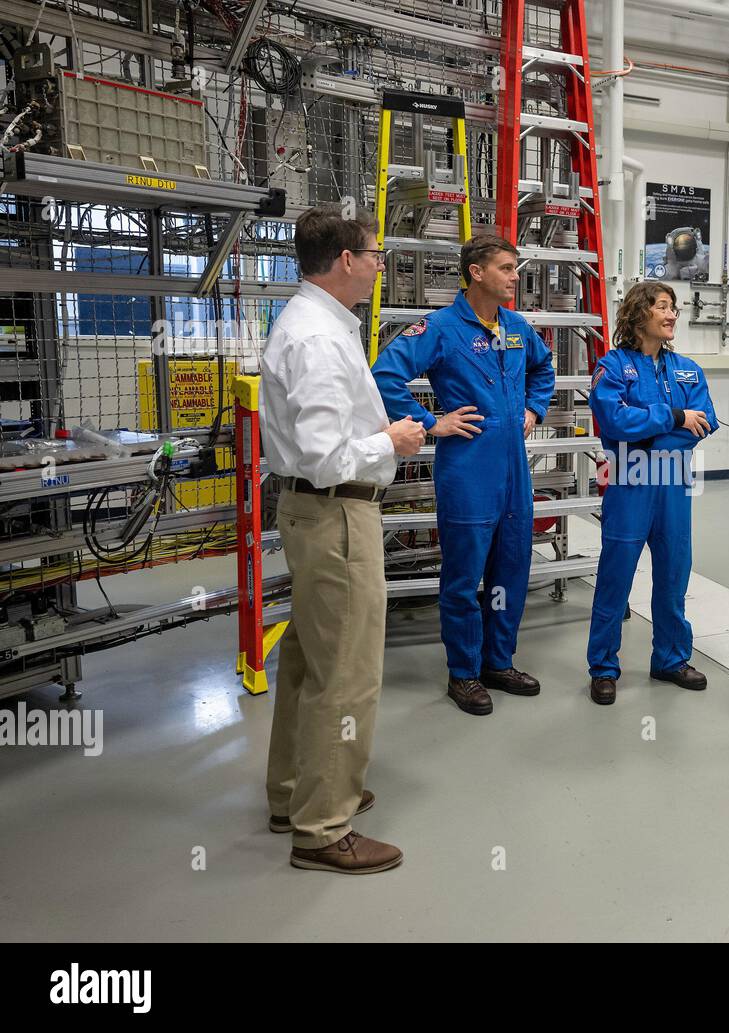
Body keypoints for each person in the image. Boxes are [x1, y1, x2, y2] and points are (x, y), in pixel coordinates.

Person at [260, 203, 426, 874]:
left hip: (313, 513)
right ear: (346, 261)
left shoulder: (318, 323)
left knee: (308, 660)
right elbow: (328, 455)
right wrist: (394, 438)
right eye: (375, 253)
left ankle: (294, 792)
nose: (380, 262)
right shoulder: (320, 339)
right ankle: (324, 827)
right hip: (336, 515)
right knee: (347, 674)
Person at [371, 235, 555, 716]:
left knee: (512, 567)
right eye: (507, 268)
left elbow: (544, 369)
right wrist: (433, 423)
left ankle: (499, 661)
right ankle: (464, 673)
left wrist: (535, 408)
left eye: (516, 268)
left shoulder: (516, 327)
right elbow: (385, 376)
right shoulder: (441, 327)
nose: (516, 276)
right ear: (476, 272)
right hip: (469, 467)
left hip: (514, 467)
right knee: (463, 576)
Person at [586, 281, 718, 705]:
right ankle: (604, 667)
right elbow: (614, 423)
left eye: (674, 308)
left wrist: (651, 434)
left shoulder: (688, 370)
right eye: (663, 306)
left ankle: (671, 658)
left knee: (674, 576)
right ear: (639, 314)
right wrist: (675, 417)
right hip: (629, 486)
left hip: (674, 487)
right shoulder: (612, 367)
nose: (672, 314)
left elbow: (706, 422)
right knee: (615, 579)